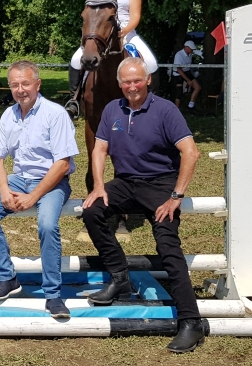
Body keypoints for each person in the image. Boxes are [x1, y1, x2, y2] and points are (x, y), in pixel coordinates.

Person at [81, 56, 204, 353]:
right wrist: (99, 185)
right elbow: (99, 149)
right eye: (127, 81)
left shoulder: (166, 110)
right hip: (125, 182)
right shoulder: (113, 109)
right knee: (92, 211)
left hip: (161, 184)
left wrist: (175, 196)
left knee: (168, 247)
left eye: (137, 80)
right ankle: (120, 277)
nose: (132, 87)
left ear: (148, 79)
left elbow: (191, 153)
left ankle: (191, 321)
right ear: (119, 83)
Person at [0, 60, 79, 318]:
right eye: (14, 85)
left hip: (52, 180)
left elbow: (62, 163)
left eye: (25, 83)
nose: (20, 89)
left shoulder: (56, 114)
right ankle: (7, 277)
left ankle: (53, 295)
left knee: (47, 225)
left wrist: (34, 196)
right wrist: (3, 190)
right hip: (19, 178)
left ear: (38, 84)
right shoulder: (8, 115)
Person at [66, 0, 157, 117]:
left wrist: (124, 31)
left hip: (127, 34)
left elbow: (135, 16)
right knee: (75, 59)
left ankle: (153, 102)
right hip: (101, 35)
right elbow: (92, 16)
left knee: (151, 62)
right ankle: (74, 100)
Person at [171, 40, 201, 113]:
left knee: (198, 87)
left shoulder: (190, 53)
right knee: (179, 93)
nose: (192, 50)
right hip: (178, 73)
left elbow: (198, 52)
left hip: (187, 72)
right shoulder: (179, 55)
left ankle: (190, 106)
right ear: (186, 47)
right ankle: (176, 111)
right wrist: (188, 80)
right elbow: (179, 69)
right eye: (191, 48)